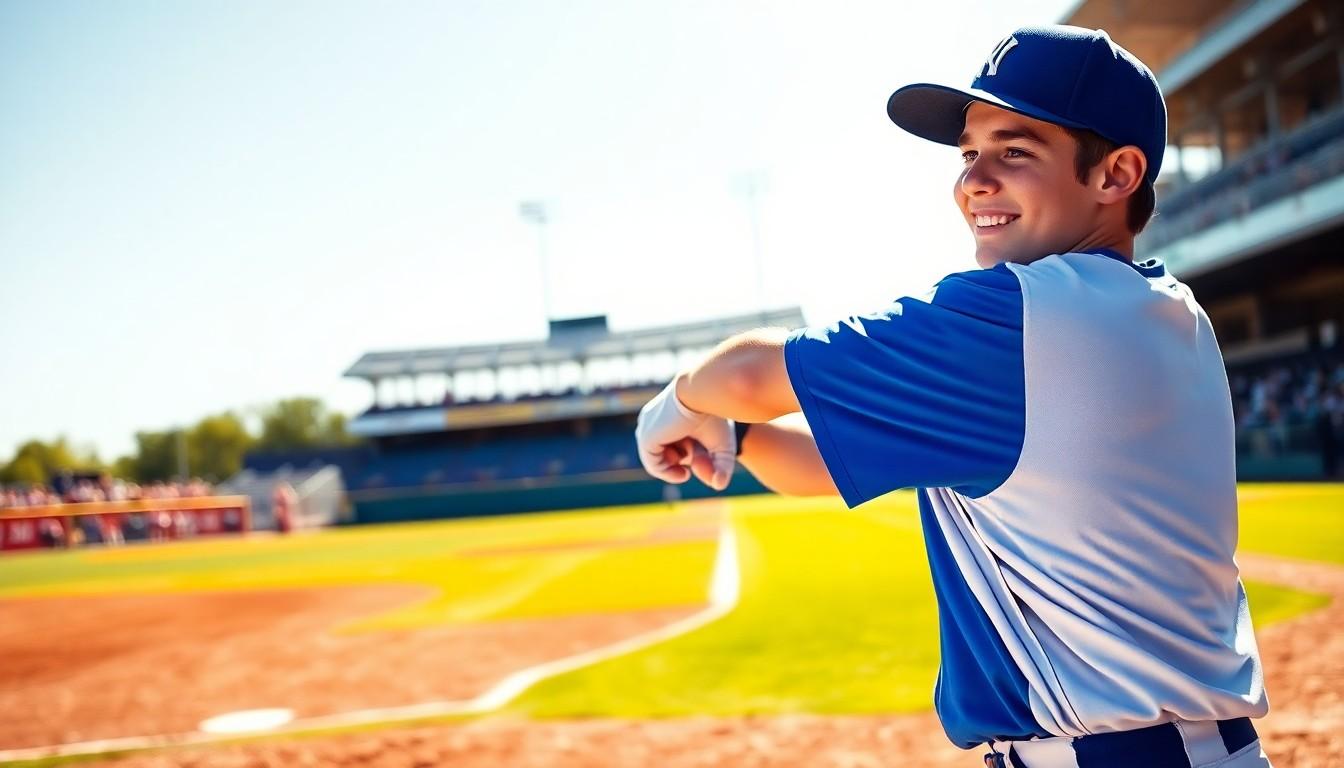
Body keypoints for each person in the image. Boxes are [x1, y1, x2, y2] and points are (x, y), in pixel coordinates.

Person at [635, 25, 1271, 768]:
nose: (975, 181)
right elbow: (820, 466)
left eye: (1015, 151)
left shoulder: (1024, 317)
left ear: (1116, 173)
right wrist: (739, 435)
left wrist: (677, 404)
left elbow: (750, 377)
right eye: (969, 154)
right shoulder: (1163, 309)